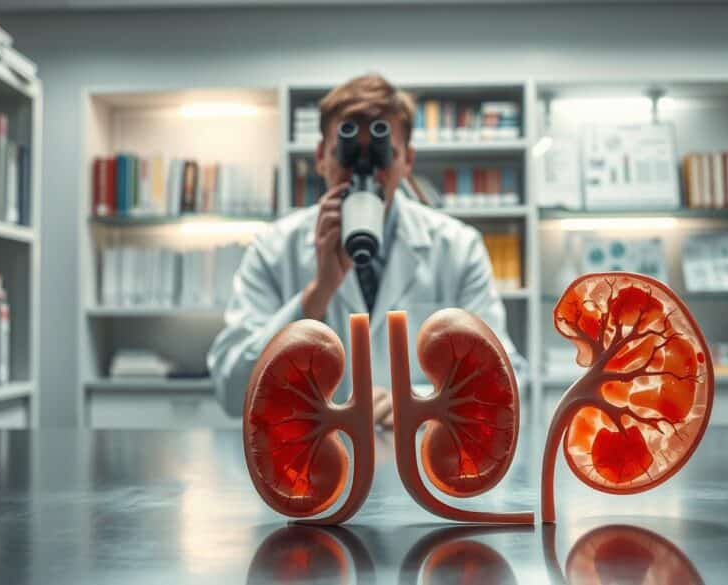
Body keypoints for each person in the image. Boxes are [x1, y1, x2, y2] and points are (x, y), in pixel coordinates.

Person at [208, 73, 525, 427]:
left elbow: (507, 384)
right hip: (312, 464)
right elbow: (232, 391)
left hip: (419, 460)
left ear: (407, 161)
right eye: (346, 153)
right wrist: (317, 294)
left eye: (380, 154)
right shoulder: (273, 248)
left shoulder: (457, 248)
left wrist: (417, 402)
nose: (364, 170)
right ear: (320, 158)